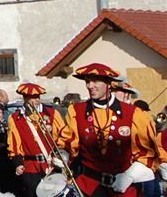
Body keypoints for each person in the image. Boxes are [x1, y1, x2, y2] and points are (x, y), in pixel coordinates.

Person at [56, 63, 166, 197]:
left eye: (95, 81)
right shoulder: (76, 111)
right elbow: (68, 143)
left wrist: (129, 176)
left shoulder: (134, 114)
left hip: (123, 188)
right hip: (88, 188)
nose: (90, 86)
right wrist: (63, 155)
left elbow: (148, 154)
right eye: (87, 81)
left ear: (108, 83)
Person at [6, 82, 65, 197]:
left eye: (38, 97)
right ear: (25, 98)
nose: (36, 100)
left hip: (52, 165)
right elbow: (14, 143)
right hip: (31, 168)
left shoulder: (52, 114)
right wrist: (18, 163)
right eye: (32, 97)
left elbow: (62, 136)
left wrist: (60, 156)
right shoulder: (15, 118)